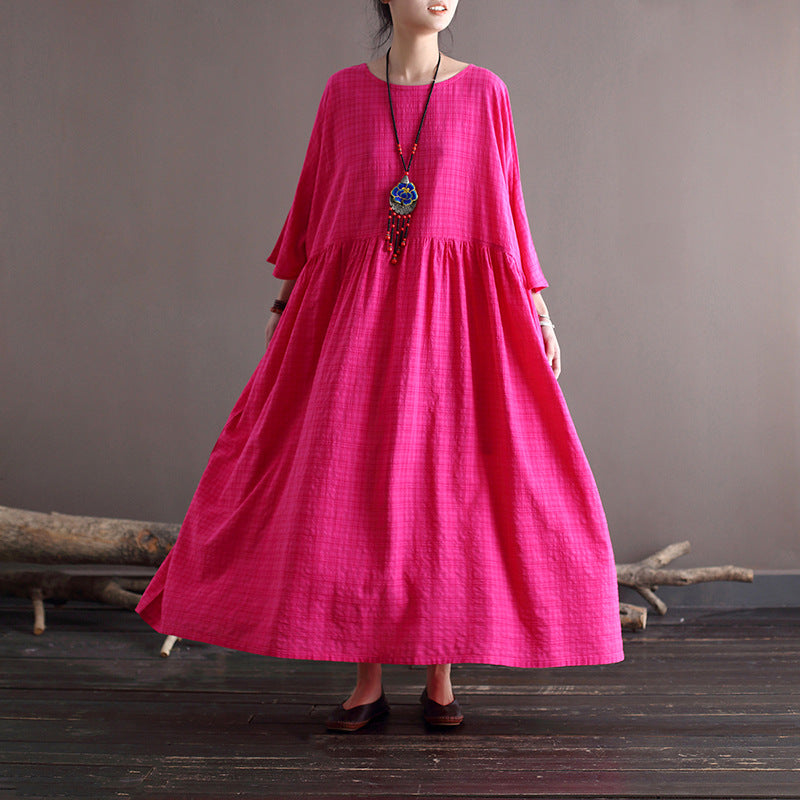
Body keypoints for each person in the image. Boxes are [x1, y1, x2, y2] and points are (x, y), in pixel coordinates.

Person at [135, 0, 624, 732]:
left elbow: (507, 210)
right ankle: (366, 680)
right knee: (352, 488)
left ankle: (440, 676)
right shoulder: (342, 94)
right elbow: (313, 203)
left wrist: (540, 312)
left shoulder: (486, 92)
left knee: (449, 488)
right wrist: (282, 302)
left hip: (457, 322)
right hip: (355, 318)